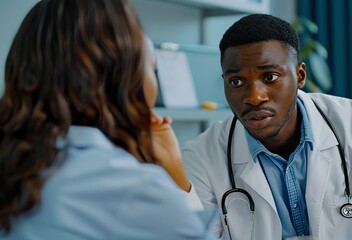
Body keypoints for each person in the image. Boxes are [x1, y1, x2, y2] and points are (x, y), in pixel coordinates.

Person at [182, 14, 352, 239]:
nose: (254, 97)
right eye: (236, 81)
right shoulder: (203, 154)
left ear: (299, 76)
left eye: (270, 77)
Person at [0, 0, 213, 239]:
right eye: (152, 70)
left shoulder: (16, 162)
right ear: (125, 80)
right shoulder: (132, 189)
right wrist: (177, 177)